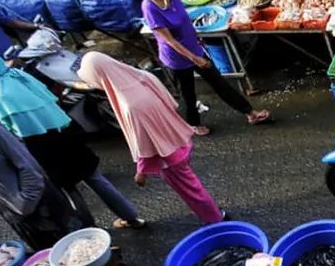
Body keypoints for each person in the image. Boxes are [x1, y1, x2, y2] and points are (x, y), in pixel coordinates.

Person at [0, 47, 145, 230]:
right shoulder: (18, 75)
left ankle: (92, 231)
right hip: (65, 132)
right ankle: (131, 217)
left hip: (42, 148)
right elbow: (53, 99)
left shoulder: (1, 96)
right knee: (95, 178)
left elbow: (18, 134)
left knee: (70, 192)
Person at [77, 52, 224, 225]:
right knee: (192, 185)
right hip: (177, 140)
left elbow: (143, 142)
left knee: (191, 190)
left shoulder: (129, 105)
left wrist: (141, 171)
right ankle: (215, 216)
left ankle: (216, 219)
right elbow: (172, 104)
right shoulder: (143, 76)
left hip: (168, 155)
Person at [136, 0, 271, 135]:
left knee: (219, 82)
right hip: (177, 57)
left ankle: (250, 113)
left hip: (194, 47)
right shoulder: (150, 8)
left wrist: (197, 38)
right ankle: (193, 124)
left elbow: (184, 18)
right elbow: (170, 40)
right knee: (188, 93)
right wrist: (194, 58)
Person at [0, 113, 77, 249]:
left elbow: (30, 168)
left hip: (40, 205)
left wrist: (26, 202)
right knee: (45, 258)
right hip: (12, 213)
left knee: (77, 250)